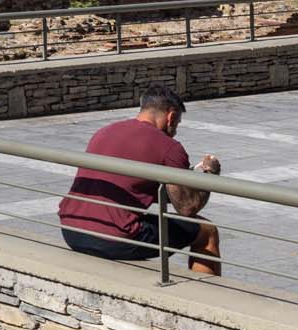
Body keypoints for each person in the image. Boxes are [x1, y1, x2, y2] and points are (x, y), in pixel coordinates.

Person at [58, 87, 222, 275]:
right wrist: (210, 175)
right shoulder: (169, 147)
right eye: (177, 124)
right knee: (206, 232)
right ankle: (205, 298)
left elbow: (133, 186)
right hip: (113, 238)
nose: (175, 131)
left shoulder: (105, 131)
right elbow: (187, 208)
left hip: (71, 228)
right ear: (171, 116)